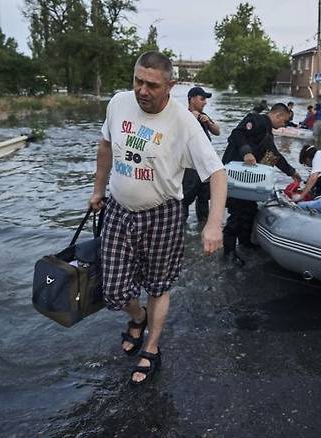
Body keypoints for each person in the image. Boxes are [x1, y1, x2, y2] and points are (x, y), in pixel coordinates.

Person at [88, 51, 227, 385]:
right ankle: (137, 318)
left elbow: (218, 174)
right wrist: (98, 189)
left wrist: (213, 223)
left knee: (158, 285)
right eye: (138, 81)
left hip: (162, 214)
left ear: (170, 85)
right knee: (115, 290)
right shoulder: (119, 103)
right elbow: (105, 145)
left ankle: (151, 346)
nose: (142, 91)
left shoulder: (184, 123)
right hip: (119, 209)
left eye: (151, 84)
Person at [222, 103, 301, 262]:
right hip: (235, 177)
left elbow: (275, 156)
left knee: (249, 210)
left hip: (249, 181)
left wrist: (292, 172)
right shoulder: (256, 120)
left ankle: (245, 243)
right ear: (277, 115)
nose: (283, 125)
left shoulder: (268, 135)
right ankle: (229, 252)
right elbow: (237, 134)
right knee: (236, 214)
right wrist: (246, 152)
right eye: (284, 121)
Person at [182, 86, 221, 223]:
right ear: (191, 99)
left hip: (204, 166)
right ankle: (181, 231)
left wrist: (208, 122)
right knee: (184, 199)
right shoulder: (183, 115)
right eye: (202, 99)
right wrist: (191, 119)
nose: (205, 102)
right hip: (189, 167)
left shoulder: (203, 115)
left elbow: (217, 132)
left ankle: (202, 227)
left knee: (204, 198)